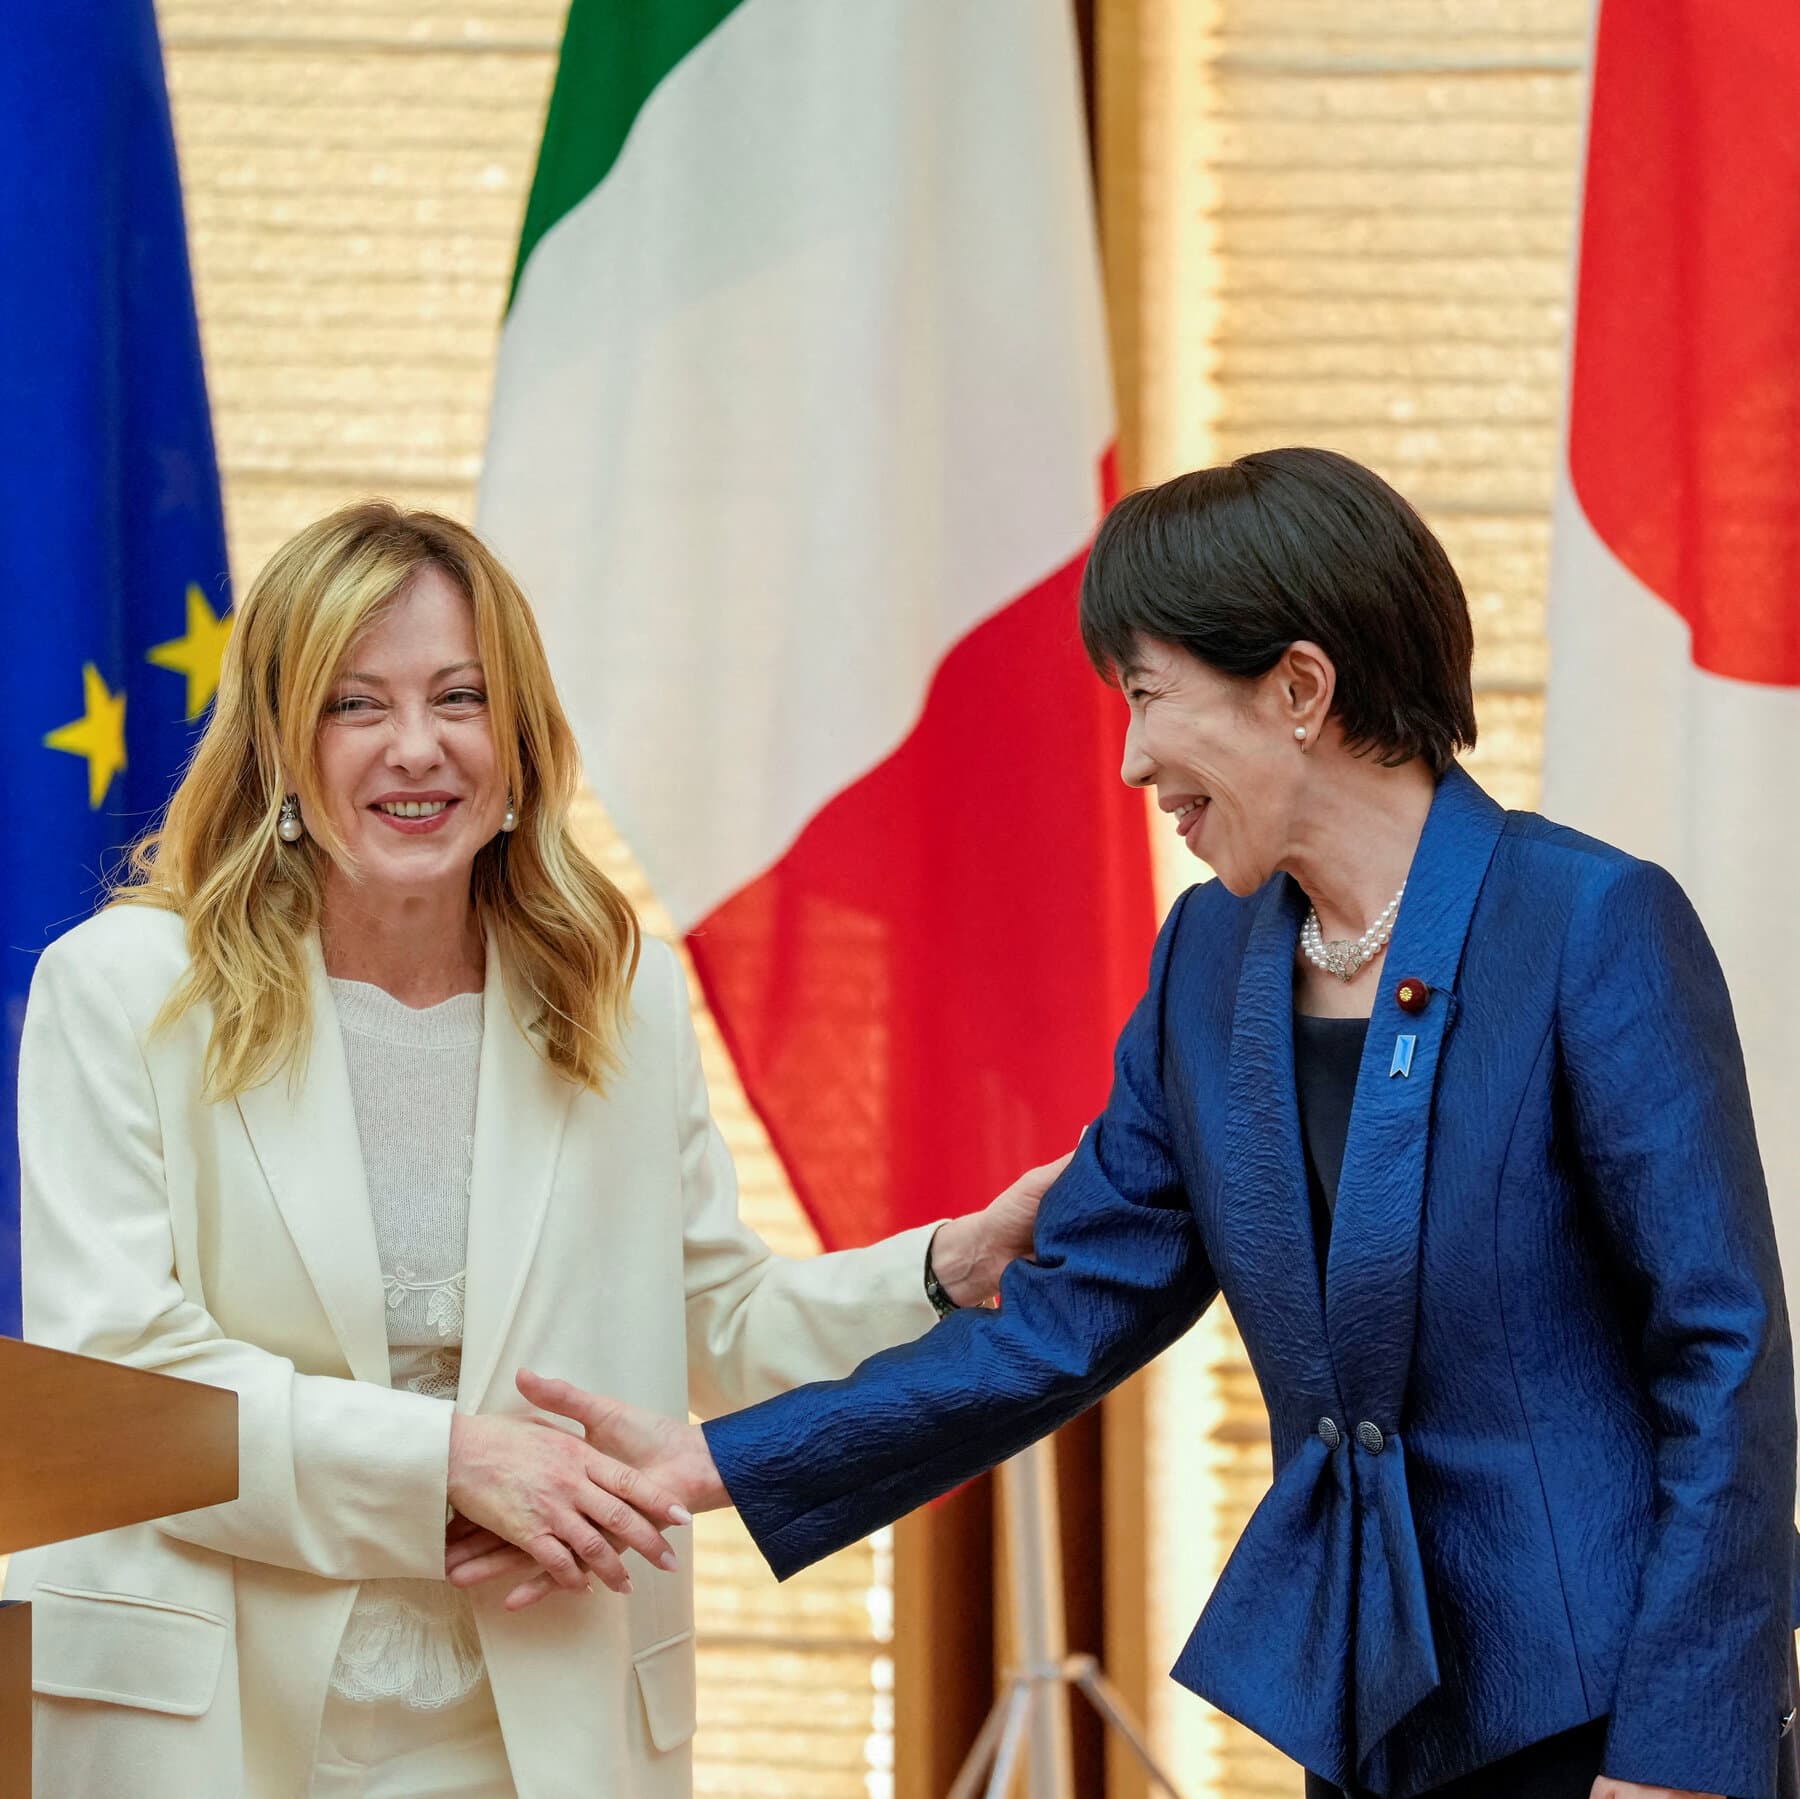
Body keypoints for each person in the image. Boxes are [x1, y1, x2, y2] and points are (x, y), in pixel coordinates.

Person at [479, 449, 1800, 1799]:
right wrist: (709, 1464)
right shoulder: (1212, 962)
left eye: (1149, 698)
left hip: (1598, 1721)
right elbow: (1059, 1324)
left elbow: (1724, 1359)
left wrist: (1684, 1752)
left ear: (1299, 689)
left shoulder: (1587, 927)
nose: (1129, 760)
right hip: (1371, 1706)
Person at [2, 501, 1059, 1799]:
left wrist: (950, 1267)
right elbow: (124, 1389)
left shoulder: (620, 995)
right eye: (353, 704)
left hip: (543, 1720)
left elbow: (718, 1324)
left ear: (519, 740)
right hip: (213, 1721)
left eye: (461, 697)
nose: (417, 748)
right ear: (279, 742)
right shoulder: (119, 987)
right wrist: (451, 1461)